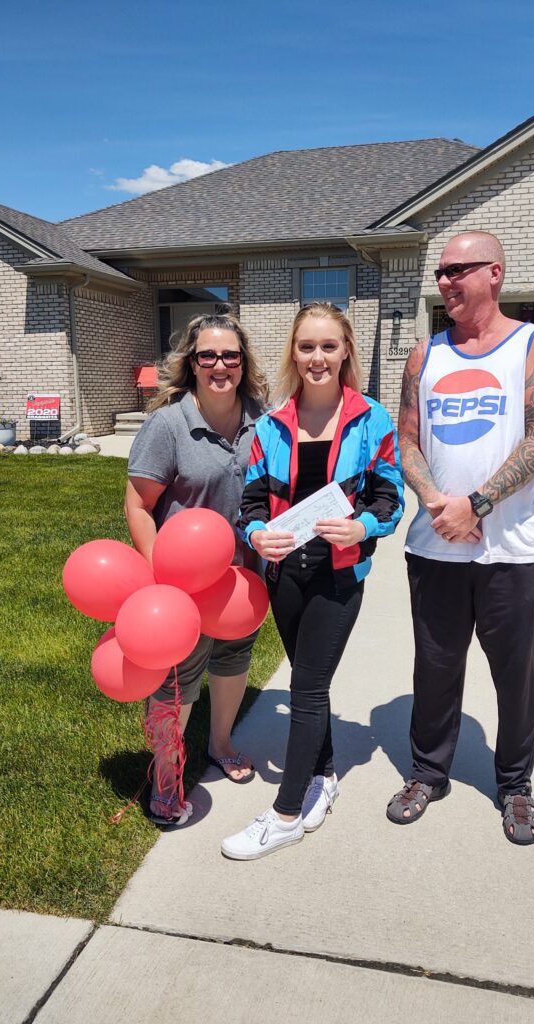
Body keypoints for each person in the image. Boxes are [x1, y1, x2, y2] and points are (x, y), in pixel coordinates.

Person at [388, 230, 534, 845]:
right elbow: (406, 438)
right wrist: (438, 503)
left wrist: (479, 504)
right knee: (435, 668)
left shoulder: (531, 346)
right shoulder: (424, 355)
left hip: (514, 550)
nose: (446, 281)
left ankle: (515, 786)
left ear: (495, 273)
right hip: (435, 545)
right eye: (440, 271)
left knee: (516, 678)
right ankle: (427, 772)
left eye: (459, 269)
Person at [222, 301, 404, 860]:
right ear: (293, 354)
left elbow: (391, 497)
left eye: (328, 346)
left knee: (306, 688)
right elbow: (250, 503)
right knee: (308, 678)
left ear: (346, 350)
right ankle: (324, 775)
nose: (317, 357)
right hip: (286, 575)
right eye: (307, 347)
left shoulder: (372, 419)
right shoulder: (271, 426)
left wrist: (362, 526)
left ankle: (286, 812)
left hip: (339, 576)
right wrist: (254, 536)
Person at [125, 313, 269, 826]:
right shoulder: (168, 423)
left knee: (233, 659)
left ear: (243, 361)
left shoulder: (264, 419)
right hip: (182, 583)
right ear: (191, 362)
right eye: (207, 355)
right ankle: (165, 777)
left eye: (230, 355)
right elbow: (139, 506)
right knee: (175, 681)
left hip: (242, 579)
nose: (219, 365)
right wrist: (161, 572)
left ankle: (221, 743)